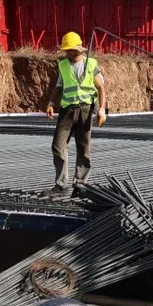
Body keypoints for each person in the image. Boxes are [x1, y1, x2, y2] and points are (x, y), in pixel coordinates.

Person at [45, 32, 108, 196]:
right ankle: (61, 185)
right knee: (58, 146)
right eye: (67, 51)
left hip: (85, 110)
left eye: (72, 50)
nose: (70, 53)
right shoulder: (63, 65)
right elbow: (59, 86)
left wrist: (101, 109)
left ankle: (80, 184)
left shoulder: (91, 64)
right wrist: (52, 103)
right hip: (67, 110)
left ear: (80, 49)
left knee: (83, 148)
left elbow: (101, 87)